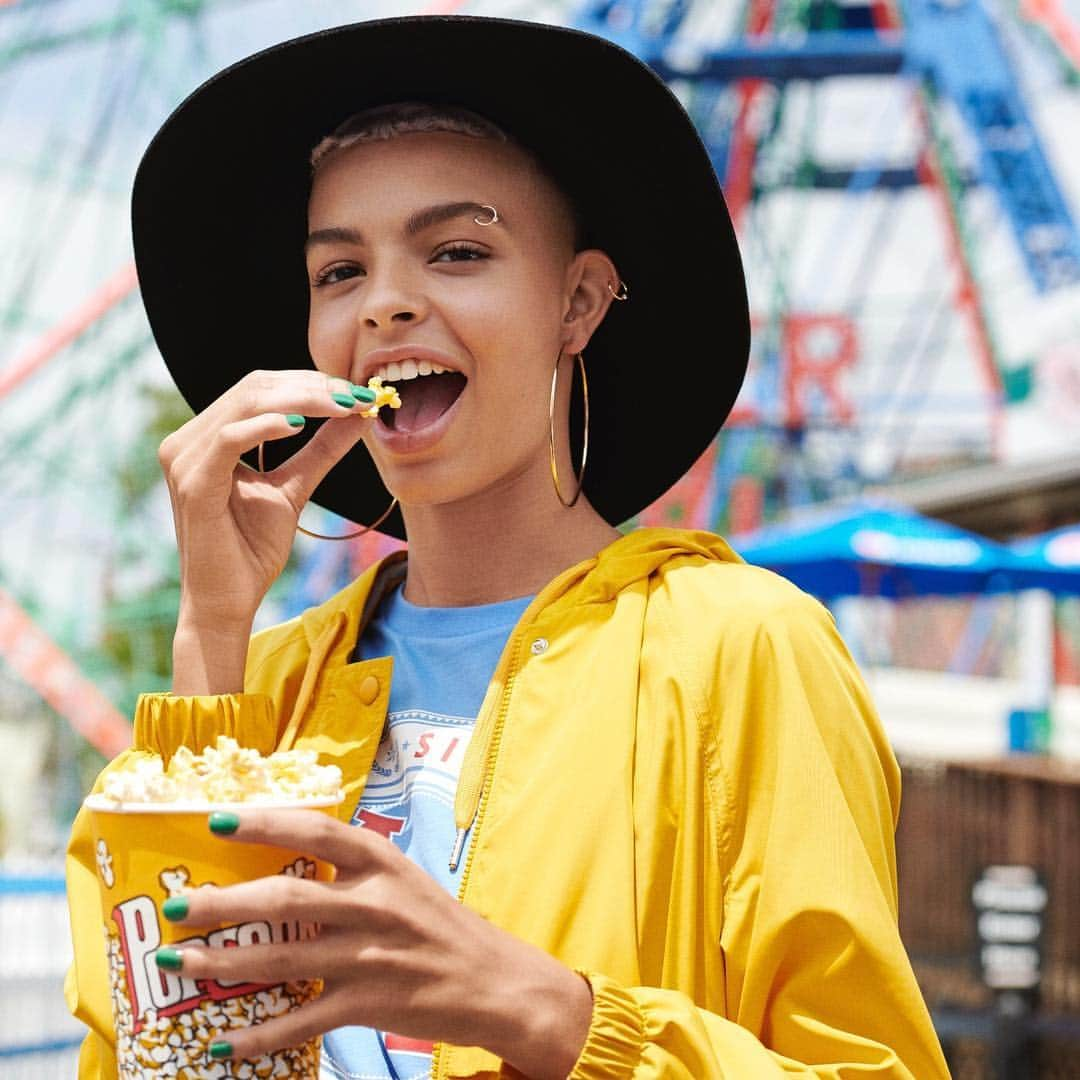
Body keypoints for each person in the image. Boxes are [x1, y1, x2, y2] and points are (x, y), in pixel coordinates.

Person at [65, 15, 951, 1080]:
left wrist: (550, 1015)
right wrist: (210, 632)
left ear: (576, 302)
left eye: (457, 252)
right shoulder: (273, 678)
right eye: (339, 272)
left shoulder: (740, 650)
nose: (386, 300)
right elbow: (160, 1055)